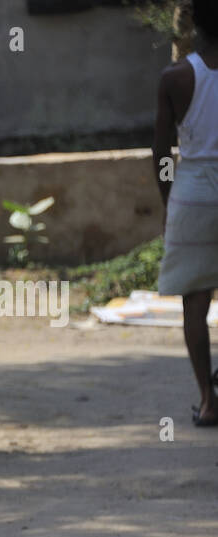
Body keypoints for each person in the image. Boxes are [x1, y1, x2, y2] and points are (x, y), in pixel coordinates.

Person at [154, 0, 218, 425]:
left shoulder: (177, 77)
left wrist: (170, 203)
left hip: (194, 192)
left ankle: (209, 402)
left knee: (194, 303)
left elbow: (161, 153)